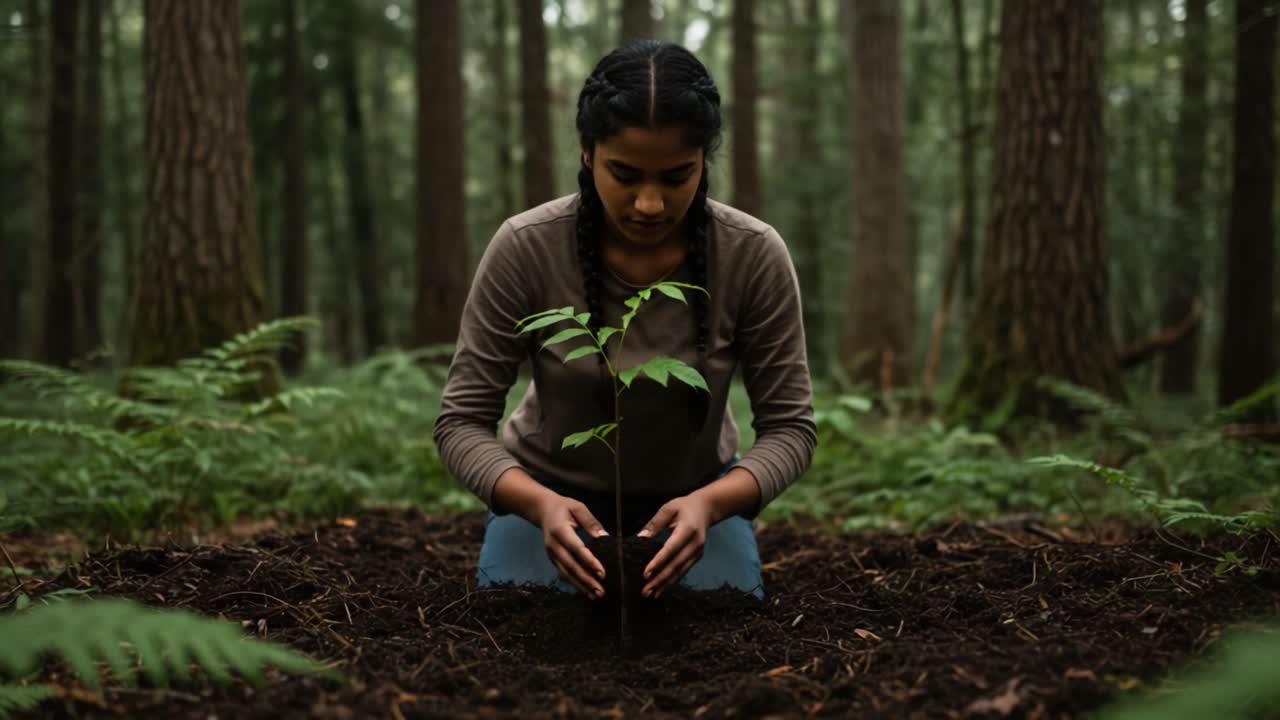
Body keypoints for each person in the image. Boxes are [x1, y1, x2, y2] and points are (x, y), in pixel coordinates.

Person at [433, 40, 815, 602]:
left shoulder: (751, 253)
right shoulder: (526, 247)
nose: (650, 204)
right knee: (516, 614)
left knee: (721, 618)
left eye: (677, 175)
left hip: (697, 497)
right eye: (626, 174)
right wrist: (537, 504)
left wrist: (712, 504)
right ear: (587, 153)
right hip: (549, 495)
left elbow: (791, 427)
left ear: (705, 162)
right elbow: (461, 421)